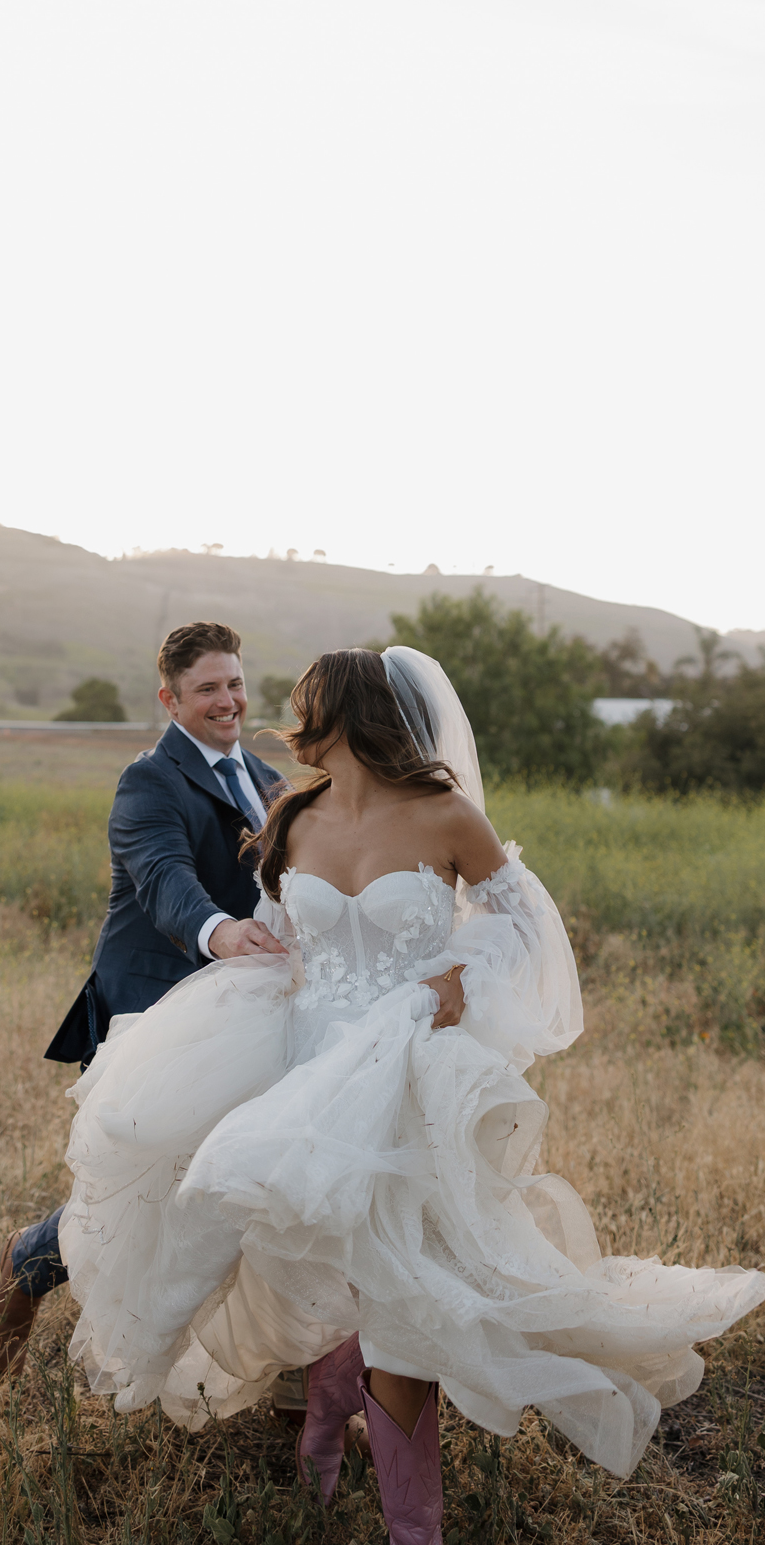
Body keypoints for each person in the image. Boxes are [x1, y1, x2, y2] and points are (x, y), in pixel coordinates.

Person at [56, 646, 765, 1544]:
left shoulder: (444, 815)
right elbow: (281, 929)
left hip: (408, 1073)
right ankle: (323, 1416)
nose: (286, 711)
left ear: (344, 715)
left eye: (306, 700)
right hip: (304, 1067)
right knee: (312, 1266)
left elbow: (529, 930)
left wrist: (455, 972)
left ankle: (410, 1527)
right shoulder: (295, 813)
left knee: (405, 1297)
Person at [0, 621, 287, 1377]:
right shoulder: (149, 780)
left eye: (235, 683)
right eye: (209, 688)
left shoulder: (271, 778)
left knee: (236, 1183)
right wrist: (221, 933)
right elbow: (162, 879)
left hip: (246, 1014)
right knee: (139, 1195)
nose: (228, 700)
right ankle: (29, 1260)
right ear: (170, 699)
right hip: (153, 1008)